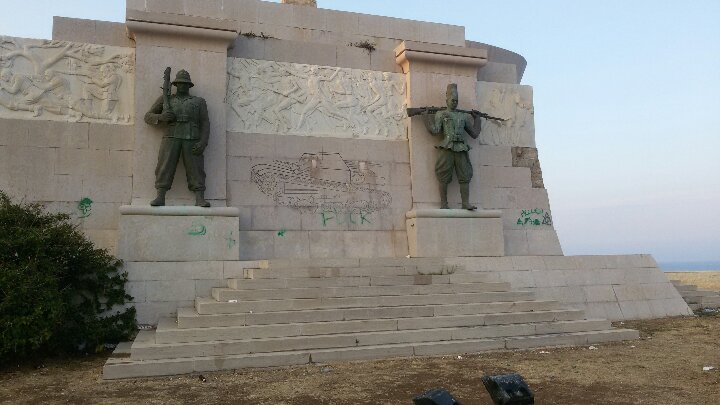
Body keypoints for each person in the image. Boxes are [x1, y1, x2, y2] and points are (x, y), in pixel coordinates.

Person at [144, 69, 210, 207]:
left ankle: (199, 197)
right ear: (175, 84)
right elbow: (148, 116)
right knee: (165, 166)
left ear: (189, 85)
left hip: (192, 138)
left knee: (196, 168)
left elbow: (205, 123)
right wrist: (161, 117)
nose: (182, 86)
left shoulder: (199, 101)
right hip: (171, 136)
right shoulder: (166, 99)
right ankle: (160, 196)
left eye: (185, 83)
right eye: (180, 83)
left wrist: (203, 142)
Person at [422, 83, 482, 210]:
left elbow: (474, 134)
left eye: (456, 101)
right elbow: (435, 130)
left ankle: (465, 203)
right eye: (452, 100)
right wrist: (426, 117)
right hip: (447, 147)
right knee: (443, 174)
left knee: (465, 175)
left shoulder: (463, 116)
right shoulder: (441, 114)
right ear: (447, 100)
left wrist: (477, 120)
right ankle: (444, 204)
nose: (454, 103)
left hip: (461, 148)